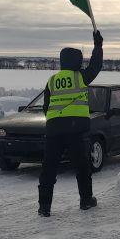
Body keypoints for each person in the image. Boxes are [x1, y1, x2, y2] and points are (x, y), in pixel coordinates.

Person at [37, 30, 104, 217]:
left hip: (54, 130)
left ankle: (44, 207)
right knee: (82, 166)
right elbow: (96, 65)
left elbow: (46, 107)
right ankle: (86, 201)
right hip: (77, 129)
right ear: (76, 61)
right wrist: (98, 46)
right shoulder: (80, 77)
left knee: (49, 168)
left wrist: (56, 121)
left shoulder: (52, 81)